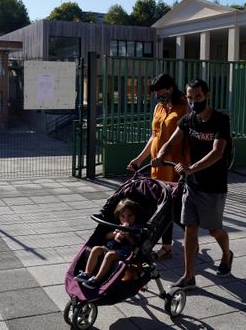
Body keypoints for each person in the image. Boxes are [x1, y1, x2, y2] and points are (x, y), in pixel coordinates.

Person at [152, 79, 233, 289]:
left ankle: (226, 254)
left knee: (215, 229)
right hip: (192, 184)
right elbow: (172, 140)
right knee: (190, 228)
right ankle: (189, 277)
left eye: (197, 96)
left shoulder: (220, 120)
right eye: (189, 97)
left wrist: (191, 168)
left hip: (214, 185)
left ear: (207, 95)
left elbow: (217, 152)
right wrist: (160, 155)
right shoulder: (189, 120)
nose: (193, 101)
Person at [127, 73, 190, 261]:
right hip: (157, 167)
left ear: (170, 89)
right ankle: (168, 247)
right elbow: (154, 136)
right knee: (164, 208)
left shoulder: (184, 108)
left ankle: (189, 239)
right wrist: (139, 159)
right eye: (156, 94)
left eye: (161, 93)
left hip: (174, 167)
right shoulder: (159, 108)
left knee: (173, 209)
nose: (158, 97)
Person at [75, 198, 141, 289]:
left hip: (124, 252)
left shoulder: (136, 228)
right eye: (123, 216)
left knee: (110, 255)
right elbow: (107, 236)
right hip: (109, 247)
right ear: (119, 216)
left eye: (130, 216)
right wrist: (114, 234)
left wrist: (128, 235)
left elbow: (136, 242)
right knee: (96, 249)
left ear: (136, 216)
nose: (126, 219)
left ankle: (96, 280)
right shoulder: (118, 225)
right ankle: (87, 273)